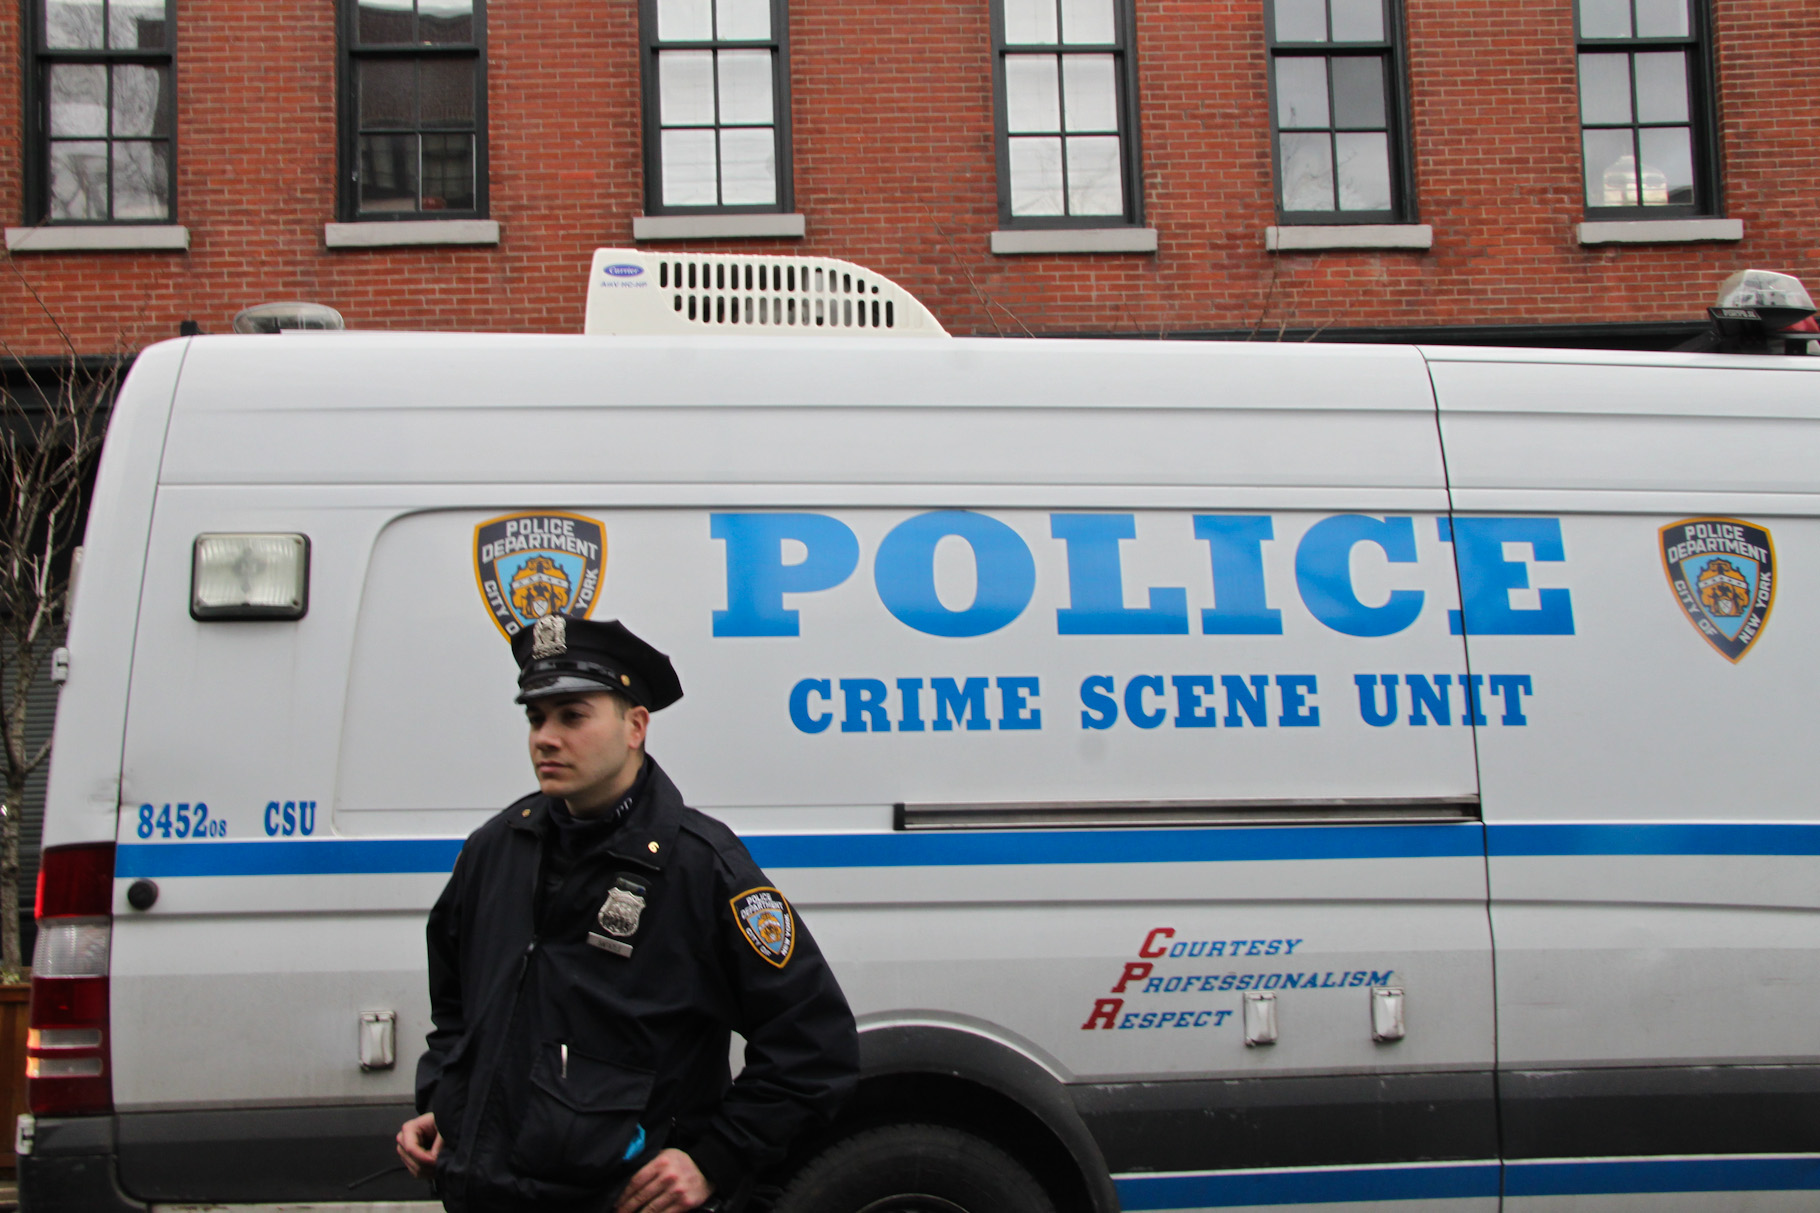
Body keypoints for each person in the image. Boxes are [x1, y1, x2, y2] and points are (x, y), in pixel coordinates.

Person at [396, 614, 859, 1213]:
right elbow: (459, 1006)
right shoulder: (497, 848)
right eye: (536, 718)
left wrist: (715, 1158)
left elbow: (815, 1045)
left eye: (573, 716)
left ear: (636, 726)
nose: (545, 737)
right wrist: (443, 1100)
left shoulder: (702, 868)